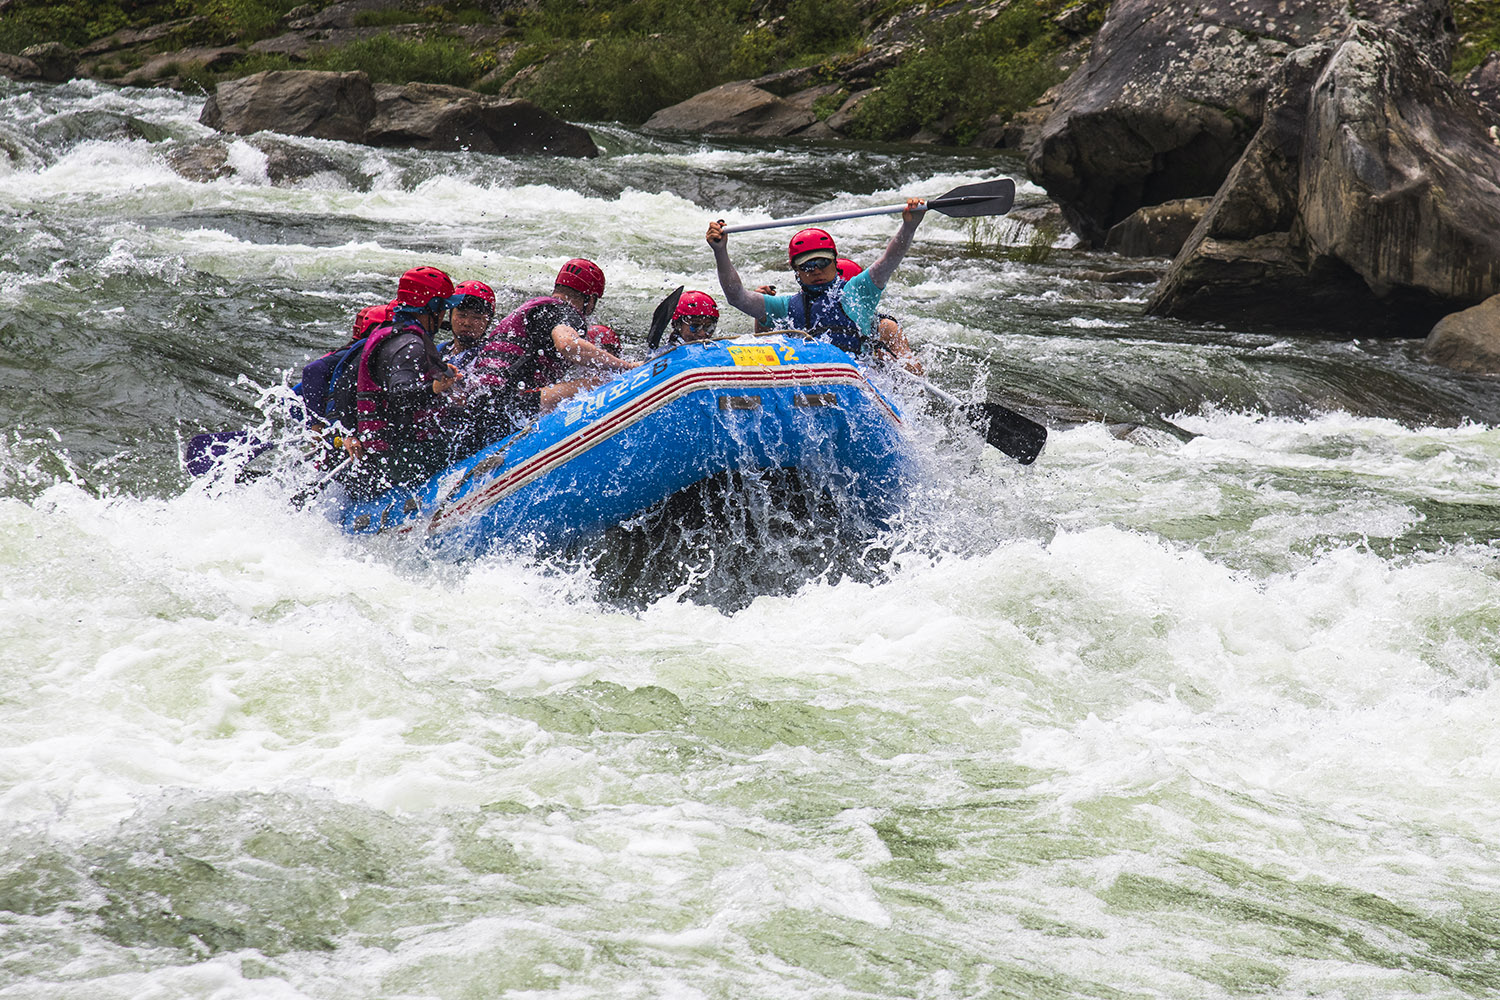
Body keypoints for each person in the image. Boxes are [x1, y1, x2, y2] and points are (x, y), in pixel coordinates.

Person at [706, 198, 926, 358]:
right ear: (796, 271)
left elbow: (889, 260)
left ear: (835, 262)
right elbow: (736, 297)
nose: (816, 271)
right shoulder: (784, 307)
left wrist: (909, 226)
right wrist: (720, 251)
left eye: (822, 263)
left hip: (858, 383)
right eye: (807, 266)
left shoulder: (858, 292)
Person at [460, 258, 638, 448]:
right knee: (602, 380)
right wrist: (626, 366)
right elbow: (568, 345)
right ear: (590, 298)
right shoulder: (564, 312)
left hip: (478, 407)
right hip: (509, 405)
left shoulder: (535, 307)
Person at [338, 265, 465, 500]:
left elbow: (344, 384)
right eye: (442, 308)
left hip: (384, 454)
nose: (443, 316)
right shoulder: (410, 345)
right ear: (431, 308)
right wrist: (434, 388)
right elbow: (400, 395)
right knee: (471, 437)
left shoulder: (389, 333)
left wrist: (349, 431)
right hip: (401, 457)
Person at [440, 280, 496, 369]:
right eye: (462, 315)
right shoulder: (440, 349)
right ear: (450, 316)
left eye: (476, 318)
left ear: (488, 322)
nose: (467, 323)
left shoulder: (490, 358)